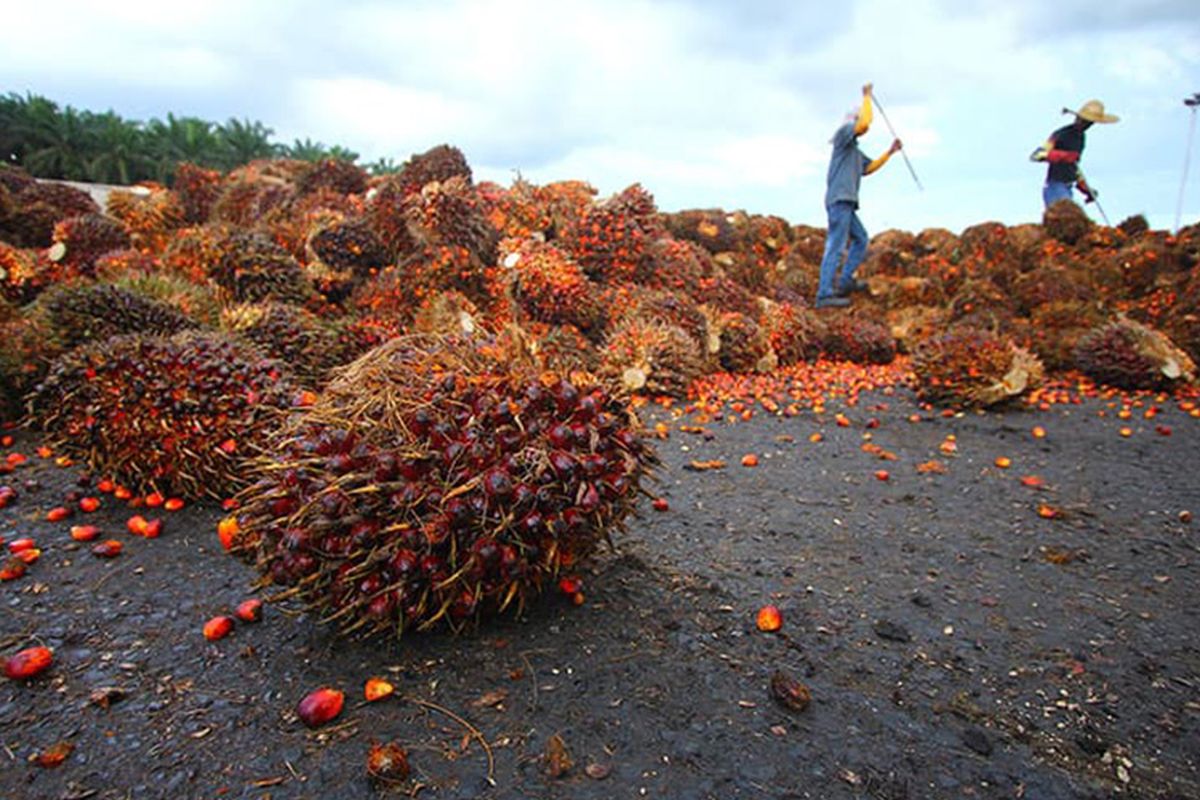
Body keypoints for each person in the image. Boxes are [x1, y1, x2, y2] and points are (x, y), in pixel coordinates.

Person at [814, 82, 902, 308]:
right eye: (857, 120)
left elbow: (868, 168)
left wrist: (890, 153)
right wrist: (867, 98)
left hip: (848, 203)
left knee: (861, 238)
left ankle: (844, 282)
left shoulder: (854, 151)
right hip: (838, 201)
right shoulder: (843, 135)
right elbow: (864, 124)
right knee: (836, 244)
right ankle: (824, 294)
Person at [1031, 99, 1119, 208]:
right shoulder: (1061, 134)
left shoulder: (1080, 138)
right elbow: (1037, 155)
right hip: (1054, 186)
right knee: (1067, 218)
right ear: (1077, 117)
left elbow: (1074, 166)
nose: (1085, 124)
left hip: (1067, 187)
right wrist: (1063, 156)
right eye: (1084, 120)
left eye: (1089, 123)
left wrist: (1085, 188)